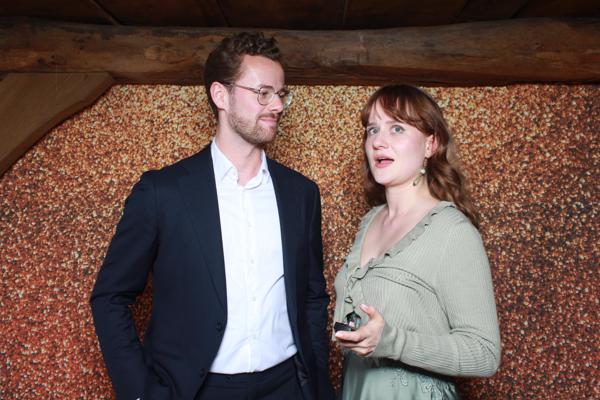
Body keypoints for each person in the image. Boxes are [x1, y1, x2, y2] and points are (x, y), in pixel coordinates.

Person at [90, 32, 335, 400]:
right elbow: (110, 298)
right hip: (198, 390)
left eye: (281, 94)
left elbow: (313, 297)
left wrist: (316, 382)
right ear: (221, 95)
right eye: (263, 93)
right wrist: (140, 394)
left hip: (288, 386)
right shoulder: (162, 192)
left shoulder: (301, 194)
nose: (277, 105)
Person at [332, 84, 501, 399]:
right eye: (372, 130)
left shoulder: (452, 230)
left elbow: (484, 354)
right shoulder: (370, 221)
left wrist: (393, 341)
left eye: (397, 128)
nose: (378, 141)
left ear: (430, 144)